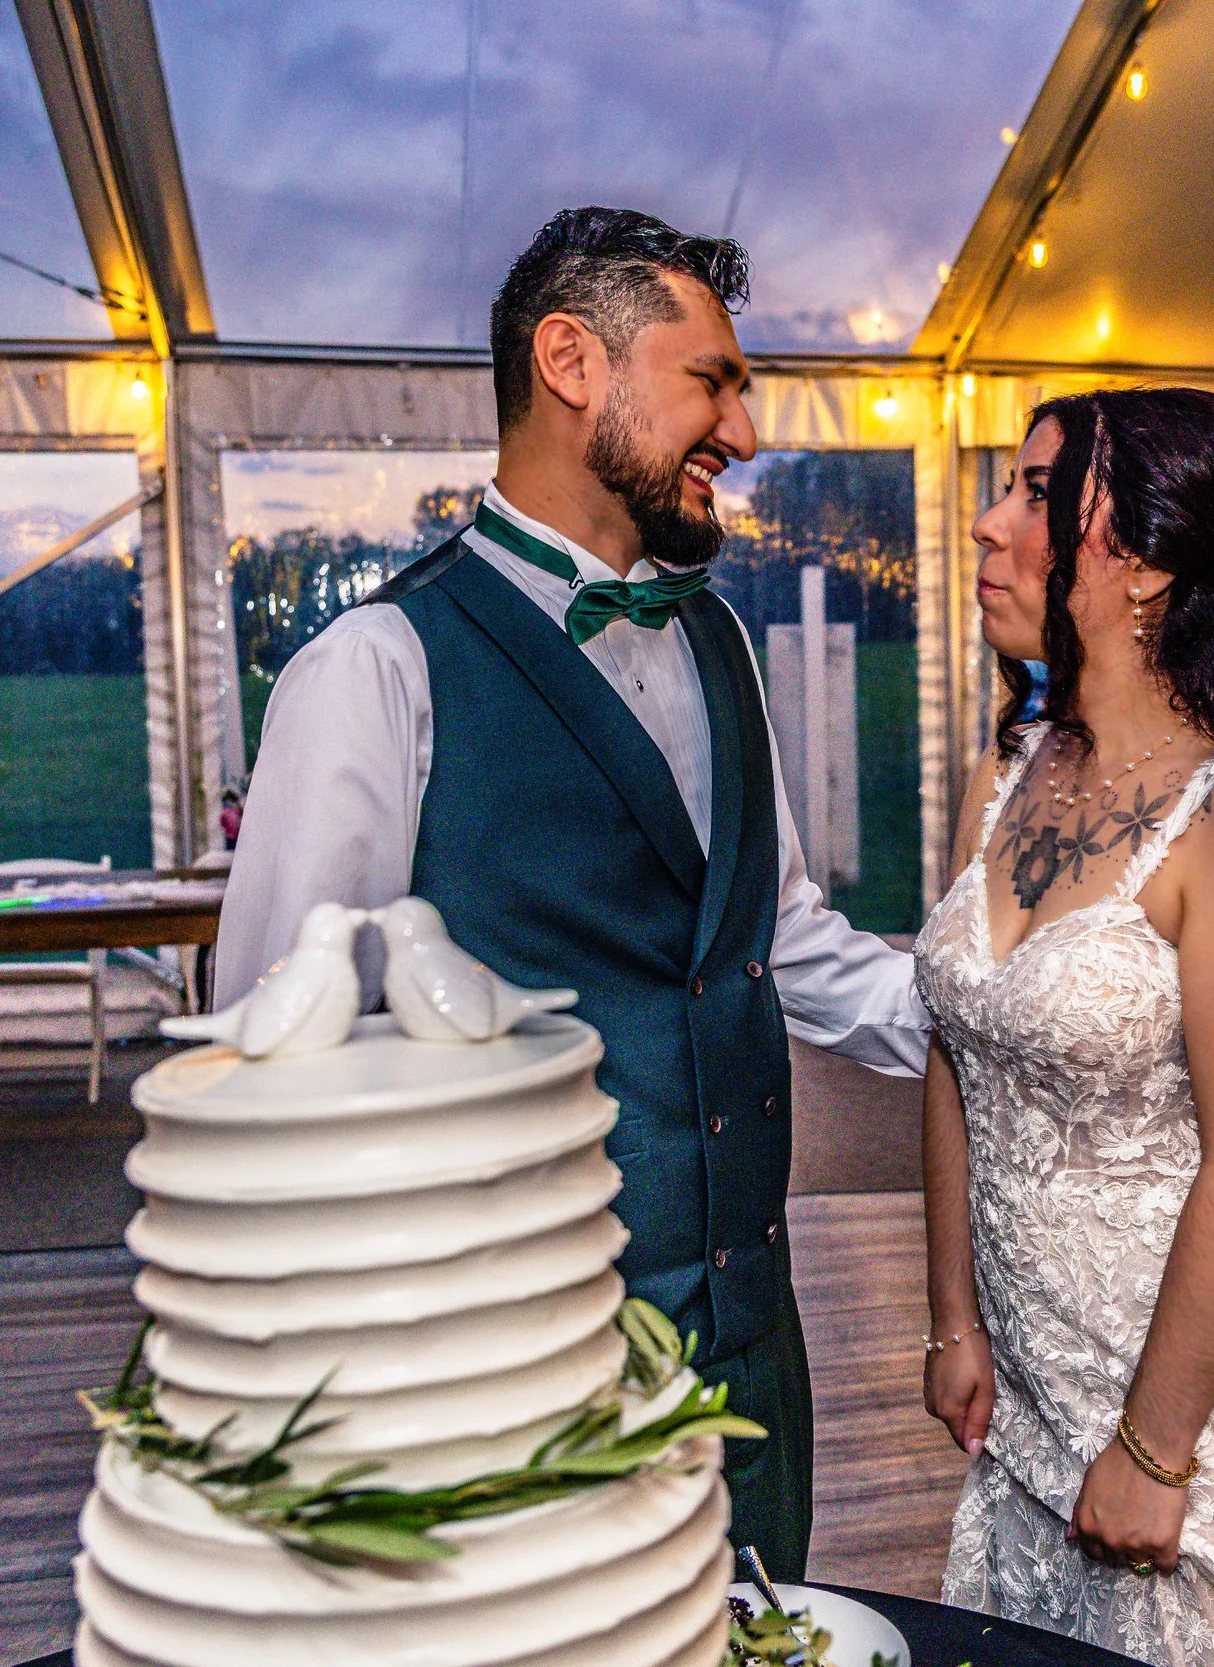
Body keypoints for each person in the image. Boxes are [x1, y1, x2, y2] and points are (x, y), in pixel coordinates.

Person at [213, 208, 929, 1578]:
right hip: (507, 1401)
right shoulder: (379, 667)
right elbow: (268, 1068)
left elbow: (775, 939)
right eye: (713, 379)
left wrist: (1004, 1005)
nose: (746, 430)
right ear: (571, 361)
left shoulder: (719, 638)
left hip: (751, 1371)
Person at [915, 389, 1214, 1664]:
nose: (992, 527)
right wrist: (954, 1314)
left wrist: (1155, 1447)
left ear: (1152, 557)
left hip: (1192, 1399)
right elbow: (957, 1048)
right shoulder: (1003, 773)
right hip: (1028, 1378)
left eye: (1039, 493)